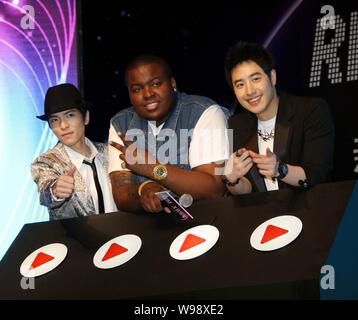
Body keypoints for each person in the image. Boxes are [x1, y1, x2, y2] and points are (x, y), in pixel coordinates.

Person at [108, 54, 230, 213]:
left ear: (173, 83)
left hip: (206, 222)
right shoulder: (121, 123)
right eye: (137, 89)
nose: (147, 94)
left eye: (156, 84)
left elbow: (214, 190)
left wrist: (154, 169)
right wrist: (144, 190)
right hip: (148, 229)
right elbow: (122, 197)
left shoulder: (204, 112)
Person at [222, 41, 334, 195]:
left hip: (312, 208)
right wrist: (232, 178)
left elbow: (317, 174)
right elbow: (248, 190)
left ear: (272, 77)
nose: (249, 91)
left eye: (255, 79)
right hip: (264, 214)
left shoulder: (310, 111)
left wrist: (280, 169)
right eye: (240, 84)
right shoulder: (237, 124)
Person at [31, 83, 117, 220]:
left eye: (70, 115)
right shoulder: (46, 162)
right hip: (76, 241)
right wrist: (55, 190)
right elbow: (45, 192)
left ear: (86, 117)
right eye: (54, 120)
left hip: (121, 237)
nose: (63, 125)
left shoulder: (110, 152)